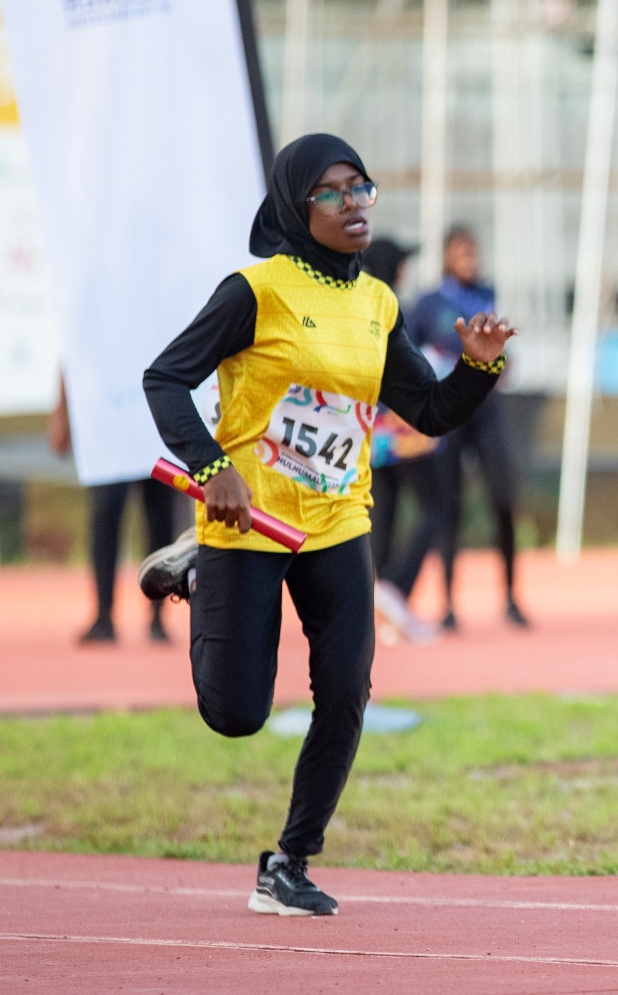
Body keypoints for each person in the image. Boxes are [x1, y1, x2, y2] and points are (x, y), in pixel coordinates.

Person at [137, 134, 513, 915]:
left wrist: (476, 368)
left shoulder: (377, 302)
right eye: (333, 193)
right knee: (237, 714)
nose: (354, 205)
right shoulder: (255, 291)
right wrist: (214, 471)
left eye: (361, 188)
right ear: (295, 206)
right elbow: (166, 377)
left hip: (340, 521)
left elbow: (431, 412)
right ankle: (200, 564)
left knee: (345, 693)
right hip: (251, 517)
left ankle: (290, 862)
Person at [410, 228, 526, 630]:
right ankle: (447, 605)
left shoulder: (487, 296)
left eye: (474, 250)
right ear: (446, 256)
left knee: (503, 499)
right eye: (462, 251)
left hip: (487, 411)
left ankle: (511, 598)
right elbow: (412, 353)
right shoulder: (428, 303)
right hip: (449, 414)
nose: (470, 258)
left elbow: (500, 350)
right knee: (449, 506)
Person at [49, 377, 187, 645]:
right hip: (108, 428)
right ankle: (103, 616)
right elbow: (74, 354)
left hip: (154, 422)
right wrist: (61, 413)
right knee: (105, 516)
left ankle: (158, 615)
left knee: (161, 523)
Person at [359, 238, 446, 646]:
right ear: (393, 270)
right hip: (403, 430)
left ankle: (383, 612)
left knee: (386, 518)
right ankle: (393, 589)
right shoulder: (389, 305)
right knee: (437, 508)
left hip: (370, 433)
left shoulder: (355, 304)